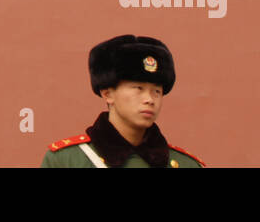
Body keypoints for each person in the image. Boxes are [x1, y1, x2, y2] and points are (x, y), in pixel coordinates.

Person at [40, 35, 205, 168]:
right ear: (107, 94)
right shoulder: (67, 161)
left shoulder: (185, 165)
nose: (149, 100)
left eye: (157, 91)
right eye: (138, 88)